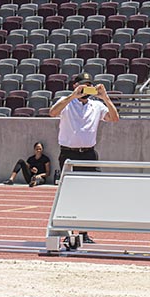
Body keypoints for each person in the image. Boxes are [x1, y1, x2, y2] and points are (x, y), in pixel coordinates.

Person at [49, 72, 119, 245]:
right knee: (69, 194)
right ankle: (69, 232)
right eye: (83, 85)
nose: (85, 89)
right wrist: (73, 96)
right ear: (75, 86)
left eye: (89, 85)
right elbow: (52, 112)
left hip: (88, 153)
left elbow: (114, 118)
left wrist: (105, 98)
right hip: (69, 153)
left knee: (88, 193)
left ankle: (83, 232)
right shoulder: (67, 102)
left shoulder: (96, 105)